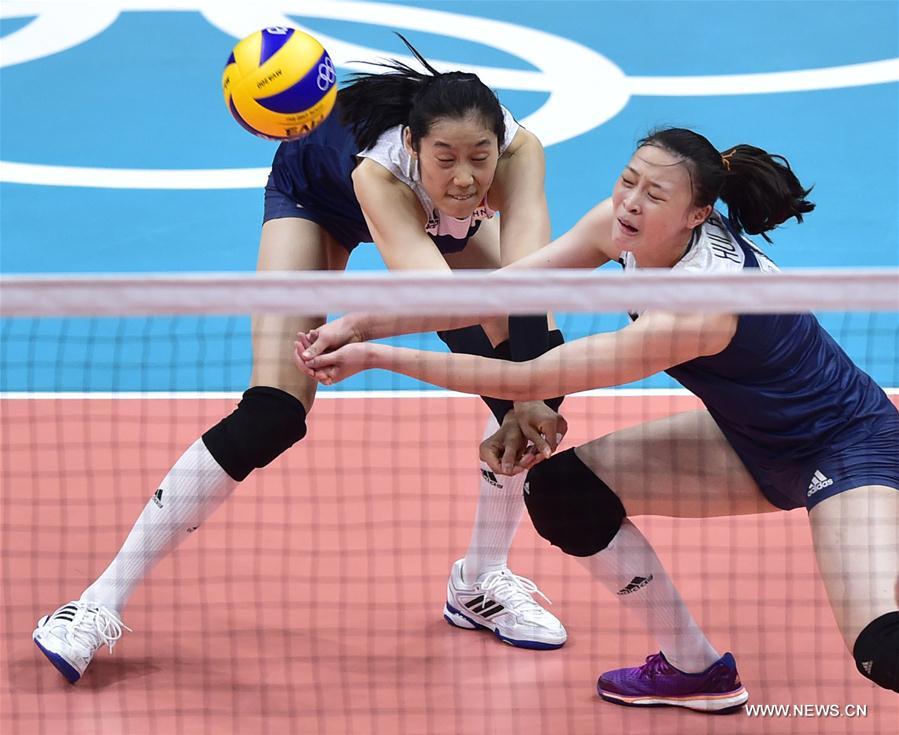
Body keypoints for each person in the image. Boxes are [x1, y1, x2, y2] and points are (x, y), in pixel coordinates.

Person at [296, 128, 899, 711]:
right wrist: (362, 322)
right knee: (565, 493)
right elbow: (502, 289)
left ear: (698, 215)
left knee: (879, 651)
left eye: (654, 195)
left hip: (846, 446)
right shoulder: (621, 229)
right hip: (749, 441)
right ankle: (695, 668)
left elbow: (530, 380)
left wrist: (375, 357)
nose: (630, 203)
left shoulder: (698, 307)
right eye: (628, 181)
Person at [32, 36, 570, 685]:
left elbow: (528, 287)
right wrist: (365, 331)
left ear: (497, 149)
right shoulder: (378, 170)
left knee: (537, 380)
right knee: (271, 413)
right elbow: (441, 301)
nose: (465, 175)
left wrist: (533, 391)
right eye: (447, 157)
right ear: (412, 143)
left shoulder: (517, 156)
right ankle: (95, 603)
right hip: (316, 196)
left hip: (427, 211)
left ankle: (479, 580)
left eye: (478, 159)